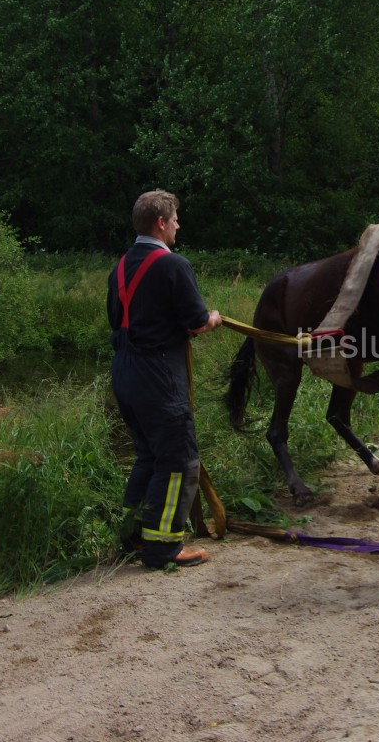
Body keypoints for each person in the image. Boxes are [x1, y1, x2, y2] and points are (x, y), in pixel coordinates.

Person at [107, 189, 222, 569]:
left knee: (148, 457)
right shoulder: (174, 265)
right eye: (174, 219)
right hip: (158, 375)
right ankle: (163, 547)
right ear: (161, 223)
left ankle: (135, 538)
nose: (178, 224)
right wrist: (213, 320)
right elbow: (195, 320)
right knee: (178, 461)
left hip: (125, 372)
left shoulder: (119, 267)